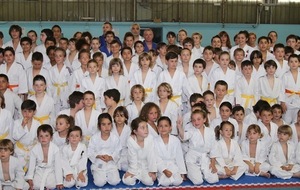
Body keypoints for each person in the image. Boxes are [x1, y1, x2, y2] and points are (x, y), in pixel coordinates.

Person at [177, 110, 219, 184]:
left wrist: (213, 164)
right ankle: (190, 172)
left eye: (199, 119)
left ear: (204, 119)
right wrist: (180, 127)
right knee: (198, 181)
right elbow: (184, 137)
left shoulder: (210, 131)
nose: (196, 122)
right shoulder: (191, 130)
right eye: (193, 120)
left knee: (214, 179)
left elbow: (213, 148)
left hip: (204, 158)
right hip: (192, 159)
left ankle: (202, 173)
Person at [88, 113, 121, 187]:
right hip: (98, 162)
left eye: (109, 124)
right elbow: (90, 151)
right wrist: (98, 156)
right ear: (99, 126)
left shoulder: (115, 138)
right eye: (103, 124)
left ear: (112, 125)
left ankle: (108, 174)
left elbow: (118, 151)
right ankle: (97, 173)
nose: (107, 127)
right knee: (99, 183)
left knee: (114, 182)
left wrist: (111, 157)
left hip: (111, 162)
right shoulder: (94, 138)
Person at [25, 124, 63, 190]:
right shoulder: (35, 149)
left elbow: (58, 166)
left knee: (51, 185)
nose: (43, 138)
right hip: (39, 169)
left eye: (46, 136)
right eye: (41, 136)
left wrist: (59, 182)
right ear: (38, 137)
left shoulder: (55, 149)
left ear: (51, 137)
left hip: (51, 169)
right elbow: (32, 165)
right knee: (35, 185)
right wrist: (30, 178)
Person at [122, 117, 157, 186]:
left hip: (146, 165)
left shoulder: (150, 138)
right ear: (135, 131)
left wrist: (152, 171)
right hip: (134, 165)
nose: (146, 130)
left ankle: (141, 176)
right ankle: (137, 175)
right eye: (142, 128)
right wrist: (132, 171)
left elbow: (151, 156)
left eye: (146, 127)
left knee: (149, 181)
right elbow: (132, 157)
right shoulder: (131, 140)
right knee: (128, 181)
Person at [155, 116, 186, 186]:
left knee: (177, 182)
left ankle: (175, 175)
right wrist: (164, 170)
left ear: (170, 127)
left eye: (166, 126)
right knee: (165, 183)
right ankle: (162, 175)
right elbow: (156, 159)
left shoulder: (175, 140)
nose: (163, 128)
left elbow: (179, 157)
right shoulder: (154, 141)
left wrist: (182, 172)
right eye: (161, 126)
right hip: (161, 166)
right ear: (157, 128)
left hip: (173, 165)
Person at [12, 99, 39, 172]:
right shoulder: (17, 123)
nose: (27, 114)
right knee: (19, 170)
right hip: (20, 151)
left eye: (30, 111)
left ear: (34, 112)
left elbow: (39, 139)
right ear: (21, 111)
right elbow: (15, 137)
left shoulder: (38, 124)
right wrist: (22, 125)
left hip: (32, 150)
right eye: (25, 111)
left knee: (32, 170)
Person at [49, 47, 72, 114]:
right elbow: (49, 85)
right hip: (54, 93)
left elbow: (71, 84)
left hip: (65, 92)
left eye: (60, 56)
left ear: (64, 58)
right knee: (54, 112)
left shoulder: (68, 69)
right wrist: (50, 97)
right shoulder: (51, 70)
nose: (58, 58)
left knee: (65, 112)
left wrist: (69, 96)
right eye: (56, 56)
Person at [282, 54, 300, 124]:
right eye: (291, 62)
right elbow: (281, 90)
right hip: (287, 104)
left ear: (299, 63)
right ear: (288, 63)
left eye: (296, 61)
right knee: (286, 123)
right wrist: (282, 103)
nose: (293, 63)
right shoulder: (285, 75)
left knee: (297, 123)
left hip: (298, 103)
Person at [112, 106, 131, 171]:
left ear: (126, 118)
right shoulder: (110, 128)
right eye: (117, 116)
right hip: (112, 154)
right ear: (114, 117)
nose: (119, 118)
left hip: (124, 154)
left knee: (126, 168)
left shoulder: (129, 130)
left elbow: (130, 146)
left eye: (122, 116)